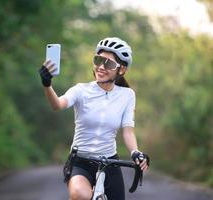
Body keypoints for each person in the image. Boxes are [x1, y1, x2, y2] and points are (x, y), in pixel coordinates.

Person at [38, 37, 150, 200]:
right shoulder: (81, 90)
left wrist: (135, 152)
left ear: (122, 70)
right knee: (80, 195)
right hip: (80, 161)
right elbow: (57, 105)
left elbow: (128, 131)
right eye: (98, 60)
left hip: (110, 163)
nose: (101, 67)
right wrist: (47, 84)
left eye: (109, 64)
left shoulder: (127, 95)